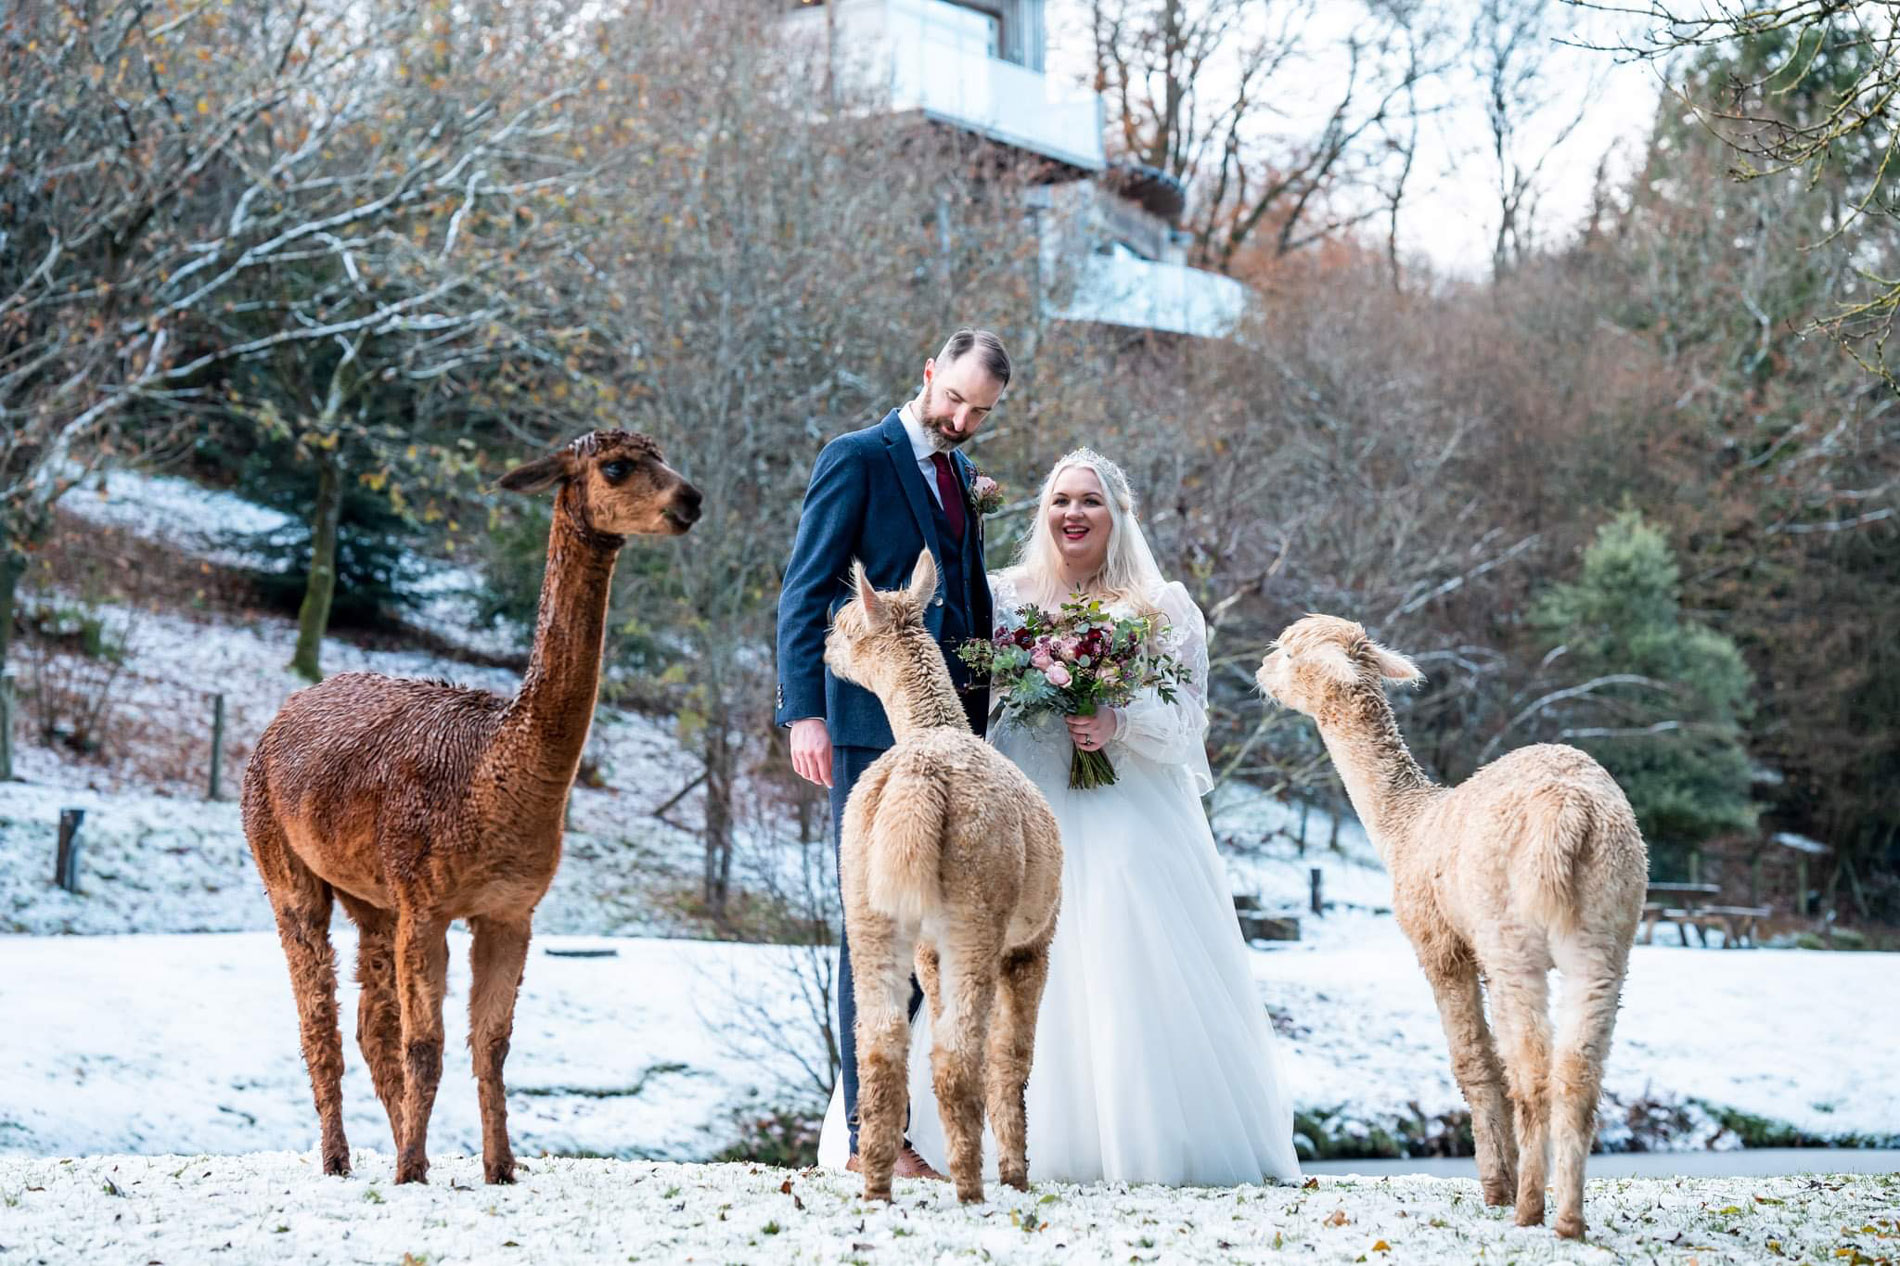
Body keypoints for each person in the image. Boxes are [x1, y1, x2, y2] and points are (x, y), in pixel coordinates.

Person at [815, 447, 1303, 1187]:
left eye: (1090, 501)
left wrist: (1116, 720)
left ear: (1118, 516)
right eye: (1060, 501)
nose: (1073, 513)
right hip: (1015, 797)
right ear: (1044, 515)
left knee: (1119, 922)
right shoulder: (1002, 597)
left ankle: (1142, 1140)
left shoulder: (1162, 604)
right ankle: (935, 1135)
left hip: (1125, 806)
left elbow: (1187, 725)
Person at [775, 328, 1011, 1180]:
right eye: (953, 399)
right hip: (866, 732)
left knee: (937, 932)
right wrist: (804, 713)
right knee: (876, 931)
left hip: (955, 737)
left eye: (980, 411)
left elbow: (966, 598)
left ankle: (907, 1130)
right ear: (927, 374)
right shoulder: (857, 457)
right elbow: (805, 590)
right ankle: (876, 1137)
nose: (961, 418)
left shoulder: (954, 474)